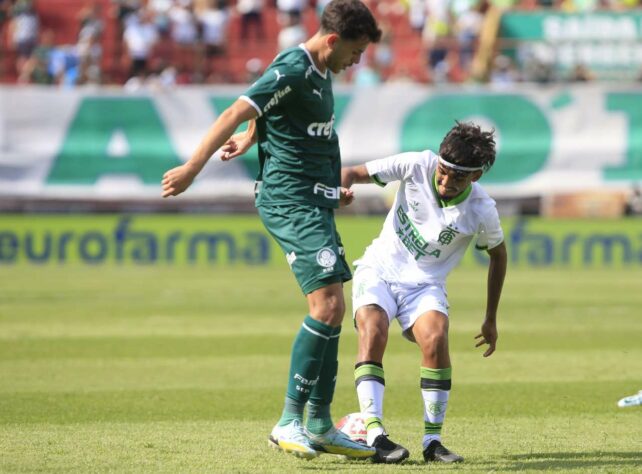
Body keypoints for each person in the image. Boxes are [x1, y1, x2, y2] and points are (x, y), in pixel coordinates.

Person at [161, 0, 382, 461]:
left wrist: (255, 135)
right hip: (289, 200)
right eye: (356, 52)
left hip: (315, 198)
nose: (357, 62)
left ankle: (320, 424)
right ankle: (289, 420)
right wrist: (191, 169)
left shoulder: (320, 73)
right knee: (326, 307)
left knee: (334, 308)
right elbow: (232, 111)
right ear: (333, 40)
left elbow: (284, 118)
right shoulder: (294, 67)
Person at [341, 121, 507, 464]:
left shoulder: (482, 209)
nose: (445, 182)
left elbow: (498, 255)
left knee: (435, 338)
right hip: (379, 270)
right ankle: (376, 437)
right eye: (443, 173)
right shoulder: (417, 164)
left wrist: (490, 317)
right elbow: (351, 172)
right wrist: (338, 195)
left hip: (426, 285)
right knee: (373, 330)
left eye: (457, 178)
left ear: (474, 177)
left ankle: (432, 442)